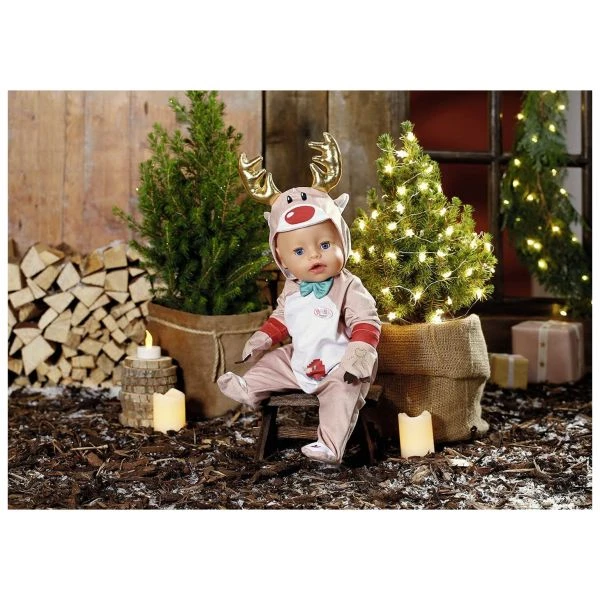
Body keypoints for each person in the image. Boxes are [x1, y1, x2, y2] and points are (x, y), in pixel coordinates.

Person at [217, 134, 381, 465]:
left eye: (325, 245)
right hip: (302, 358)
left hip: (341, 363)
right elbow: (282, 318)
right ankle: (249, 388)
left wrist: (358, 356)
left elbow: (366, 322)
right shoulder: (293, 287)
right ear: (282, 259)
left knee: (343, 394)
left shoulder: (348, 285)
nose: (314, 256)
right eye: (299, 251)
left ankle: (330, 446)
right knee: (274, 362)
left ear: (343, 241)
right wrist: (263, 338)